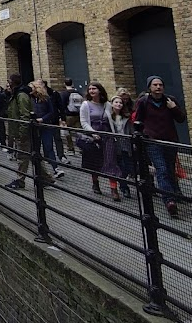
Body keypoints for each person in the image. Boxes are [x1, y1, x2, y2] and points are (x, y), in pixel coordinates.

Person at [133, 76, 186, 217]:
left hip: (170, 140)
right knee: (161, 169)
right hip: (153, 141)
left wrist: (173, 108)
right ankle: (169, 201)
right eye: (155, 85)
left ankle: (172, 193)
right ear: (149, 87)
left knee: (169, 169)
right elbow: (137, 121)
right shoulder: (143, 102)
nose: (158, 87)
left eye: (160, 84)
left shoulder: (170, 101)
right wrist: (142, 136)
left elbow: (181, 119)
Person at [5, 74, 52, 189]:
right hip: (23, 131)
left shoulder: (21, 95)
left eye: (9, 81)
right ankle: (47, 179)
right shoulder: (17, 94)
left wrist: (22, 133)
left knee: (22, 156)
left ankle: (20, 180)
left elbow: (24, 115)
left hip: (24, 132)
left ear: (13, 82)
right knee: (34, 154)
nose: (7, 84)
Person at [79, 82, 121, 199]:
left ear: (100, 90)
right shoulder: (85, 105)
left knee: (111, 160)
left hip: (107, 135)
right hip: (93, 137)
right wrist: (93, 133)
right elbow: (84, 122)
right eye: (90, 89)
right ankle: (95, 183)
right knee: (94, 161)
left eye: (94, 88)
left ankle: (114, 189)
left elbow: (113, 119)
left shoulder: (107, 104)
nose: (92, 91)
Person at [29, 80, 63, 180]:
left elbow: (52, 112)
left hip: (46, 126)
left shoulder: (46, 98)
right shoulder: (29, 98)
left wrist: (42, 119)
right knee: (36, 149)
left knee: (49, 147)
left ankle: (55, 168)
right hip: (34, 127)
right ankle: (40, 172)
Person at [109, 94, 134, 199]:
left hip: (125, 145)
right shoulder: (108, 117)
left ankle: (123, 184)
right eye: (116, 102)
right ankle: (124, 187)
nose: (118, 104)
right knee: (119, 166)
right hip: (114, 146)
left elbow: (130, 131)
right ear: (112, 104)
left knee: (128, 167)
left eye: (120, 103)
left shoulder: (126, 117)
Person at [59, 78, 83, 157]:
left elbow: (61, 106)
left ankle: (70, 149)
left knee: (66, 132)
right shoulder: (78, 92)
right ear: (72, 83)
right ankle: (81, 148)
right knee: (79, 132)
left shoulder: (64, 94)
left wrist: (62, 118)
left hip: (68, 116)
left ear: (64, 84)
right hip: (78, 115)